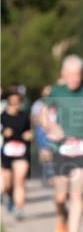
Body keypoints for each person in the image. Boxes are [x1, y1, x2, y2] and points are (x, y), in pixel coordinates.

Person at [42, 57, 83, 232]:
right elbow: (41, 115)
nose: (74, 78)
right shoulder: (54, 92)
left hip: (82, 148)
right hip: (60, 149)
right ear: (63, 74)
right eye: (71, 74)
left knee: (77, 194)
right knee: (60, 196)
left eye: (78, 74)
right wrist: (51, 126)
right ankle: (60, 218)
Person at [1, 86, 32, 220]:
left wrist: (29, 135)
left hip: (21, 150)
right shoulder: (2, 116)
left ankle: (19, 208)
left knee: (19, 181)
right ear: (8, 101)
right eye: (12, 100)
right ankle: (9, 196)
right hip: (7, 151)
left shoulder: (25, 115)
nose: (15, 102)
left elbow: (31, 131)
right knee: (7, 184)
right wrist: (4, 132)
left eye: (17, 100)